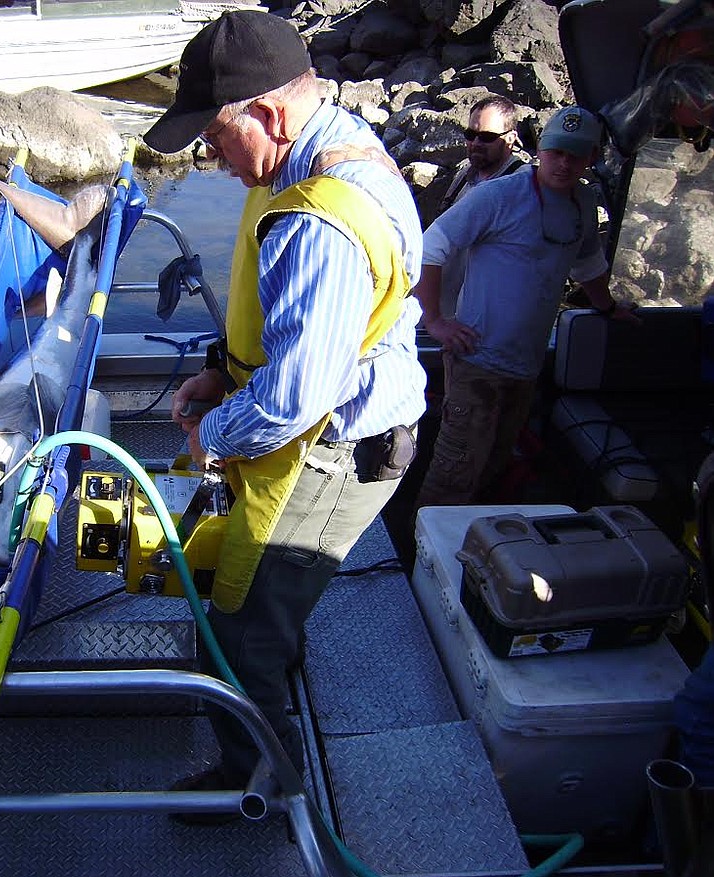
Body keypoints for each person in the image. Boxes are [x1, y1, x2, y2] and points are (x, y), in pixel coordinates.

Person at [143, 9, 427, 816]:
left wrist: (214, 435)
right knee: (260, 610)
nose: (213, 159)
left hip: (330, 449)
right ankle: (272, 686)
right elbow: (300, 324)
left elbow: (299, 395)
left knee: (236, 630)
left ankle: (261, 787)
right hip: (328, 425)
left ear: (266, 114)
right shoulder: (329, 151)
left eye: (215, 138)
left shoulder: (314, 217)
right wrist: (217, 373)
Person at [413, 105, 638, 511]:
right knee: (455, 472)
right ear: (541, 151)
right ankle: (422, 558)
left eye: (576, 154)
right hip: (476, 361)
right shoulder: (497, 196)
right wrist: (436, 321)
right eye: (556, 152)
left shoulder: (582, 203)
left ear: (591, 158)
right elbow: (430, 248)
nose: (564, 163)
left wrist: (606, 308)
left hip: (526, 367)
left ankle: (479, 553)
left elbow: (587, 263)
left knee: (495, 466)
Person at [433, 94, 529, 317]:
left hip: (484, 321)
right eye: (471, 135)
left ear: (511, 138)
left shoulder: (521, 186)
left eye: (486, 137)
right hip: (442, 314)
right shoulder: (463, 175)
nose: (476, 143)